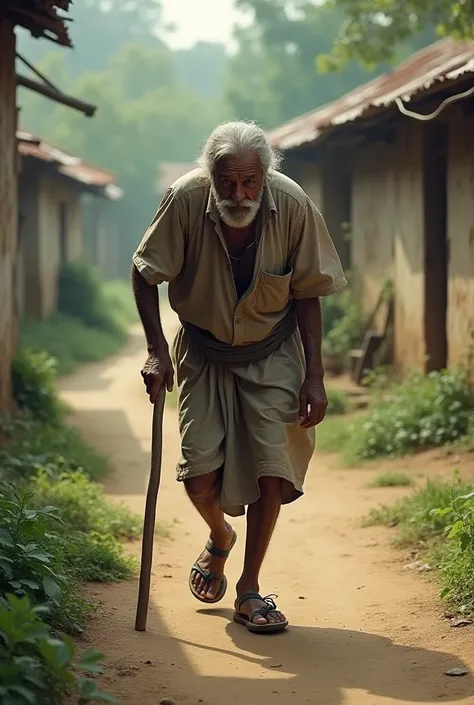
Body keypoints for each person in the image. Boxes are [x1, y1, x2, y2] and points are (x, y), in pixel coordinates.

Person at [131, 121, 346, 634]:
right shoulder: (184, 201)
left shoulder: (292, 205)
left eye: (250, 181)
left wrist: (314, 376)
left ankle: (249, 589)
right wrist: (157, 350)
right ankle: (219, 536)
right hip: (204, 352)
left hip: (274, 351)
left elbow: (308, 292)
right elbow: (144, 274)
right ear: (210, 176)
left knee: (274, 466)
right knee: (199, 475)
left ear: (266, 176)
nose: (238, 193)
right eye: (227, 181)